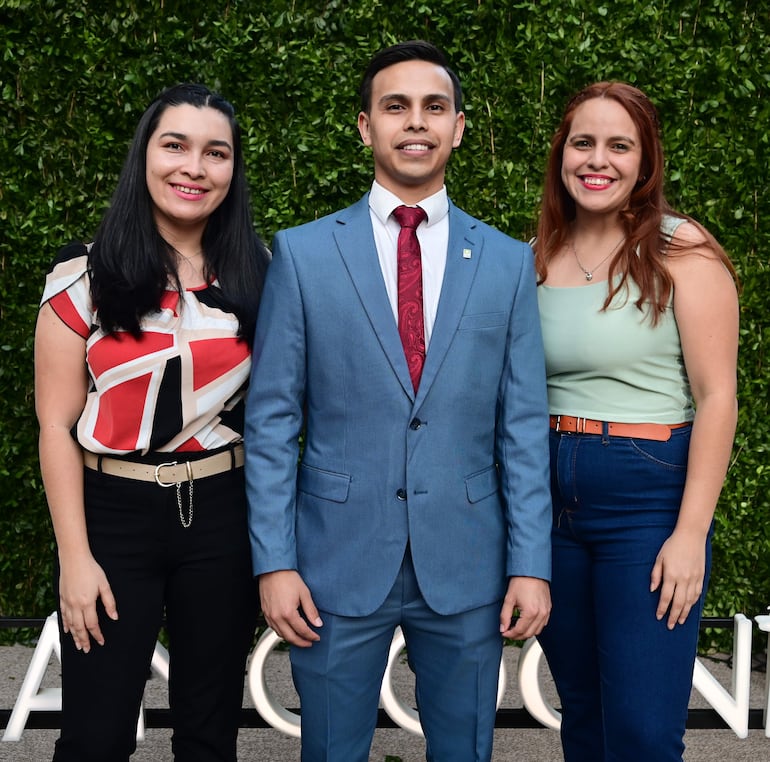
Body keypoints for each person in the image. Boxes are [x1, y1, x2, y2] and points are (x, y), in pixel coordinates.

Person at [243, 40, 552, 762]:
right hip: (332, 562)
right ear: (364, 126)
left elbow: (524, 427)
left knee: (465, 751)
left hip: (469, 561)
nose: (416, 122)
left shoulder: (508, 263)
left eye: (434, 107)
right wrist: (274, 561)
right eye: (396, 107)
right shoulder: (304, 253)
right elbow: (272, 421)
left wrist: (530, 561)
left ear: (459, 127)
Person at [34, 83, 270, 761]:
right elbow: (55, 426)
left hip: (224, 511)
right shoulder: (81, 279)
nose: (194, 167)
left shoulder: (263, 277)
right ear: (145, 156)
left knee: (208, 732)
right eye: (175, 146)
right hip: (112, 516)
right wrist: (74, 560)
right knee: (95, 737)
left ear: (232, 169)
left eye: (215, 153)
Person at [533, 81, 739, 761]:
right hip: (551, 507)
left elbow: (716, 398)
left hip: (646, 506)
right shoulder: (534, 255)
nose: (599, 160)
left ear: (645, 160)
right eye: (583, 142)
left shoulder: (682, 250)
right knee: (584, 719)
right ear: (562, 153)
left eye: (619, 145)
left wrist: (690, 534)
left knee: (644, 734)